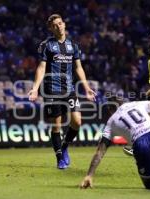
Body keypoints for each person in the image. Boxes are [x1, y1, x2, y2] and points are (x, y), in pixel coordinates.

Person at [28, 14, 96, 169]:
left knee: (77, 122)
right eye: (55, 25)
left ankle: (64, 146)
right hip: (52, 90)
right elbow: (41, 67)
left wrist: (86, 87)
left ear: (64, 24)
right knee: (57, 126)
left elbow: (78, 67)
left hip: (69, 90)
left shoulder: (74, 45)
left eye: (60, 23)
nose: (59, 27)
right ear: (51, 28)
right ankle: (59, 157)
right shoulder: (46, 45)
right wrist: (35, 88)